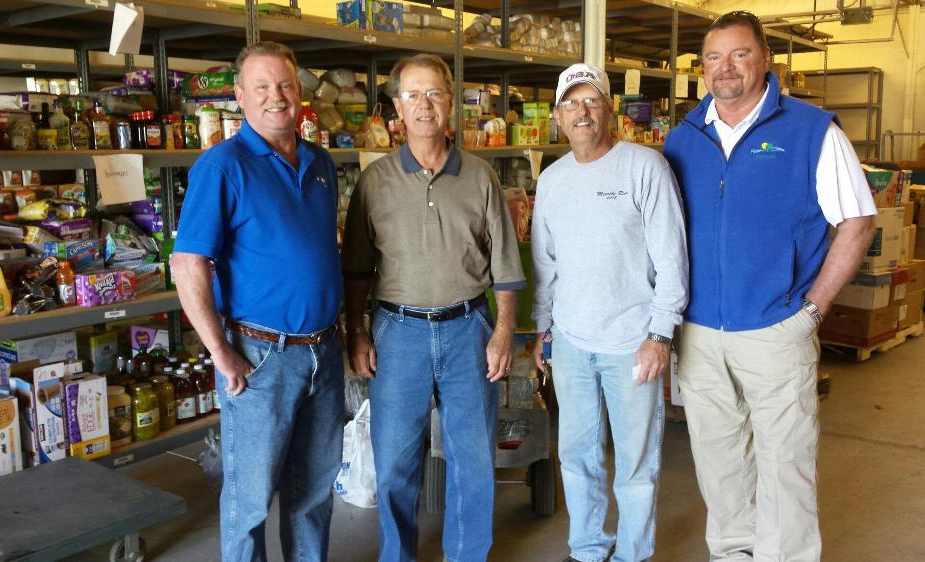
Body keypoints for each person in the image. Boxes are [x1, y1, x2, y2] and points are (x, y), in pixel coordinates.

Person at [664, 11, 877, 561]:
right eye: (714, 57)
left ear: (765, 61)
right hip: (700, 333)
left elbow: (857, 221)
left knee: (786, 462)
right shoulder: (683, 138)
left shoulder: (810, 131)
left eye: (739, 54)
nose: (726, 68)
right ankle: (733, 553)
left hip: (777, 328)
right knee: (718, 458)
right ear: (701, 68)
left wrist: (812, 309)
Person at [341, 53, 525, 562]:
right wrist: (356, 332)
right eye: (413, 95)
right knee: (395, 460)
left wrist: (504, 330)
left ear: (452, 104)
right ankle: (397, 555)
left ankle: (468, 554)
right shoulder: (374, 182)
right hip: (397, 333)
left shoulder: (482, 176)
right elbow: (356, 271)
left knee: (472, 460)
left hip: (469, 327)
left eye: (435, 93)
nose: (425, 105)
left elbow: (506, 267)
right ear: (397, 106)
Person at [170, 42, 344, 562]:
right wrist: (220, 351)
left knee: (313, 494)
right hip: (261, 357)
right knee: (249, 500)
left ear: (300, 94)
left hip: (324, 352)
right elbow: (188, 264)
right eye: (262, 88)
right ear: (240, 98)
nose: (276, 97)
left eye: (286, 85)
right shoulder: (220, 167)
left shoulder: (320, 162)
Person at [531, 63, 689, 562]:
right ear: (558, 117)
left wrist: (660, 335)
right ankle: (587, 549)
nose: (582, 112)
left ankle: (634, 555)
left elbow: (672, 257)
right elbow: (545, 264)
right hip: (573, 344)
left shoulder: (644, 167)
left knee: (636, 465)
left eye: (592, 101)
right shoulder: (552, 180)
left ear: (609, 110)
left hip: (633, 344)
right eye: (571, 104)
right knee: (577, 457)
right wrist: (544, 330)